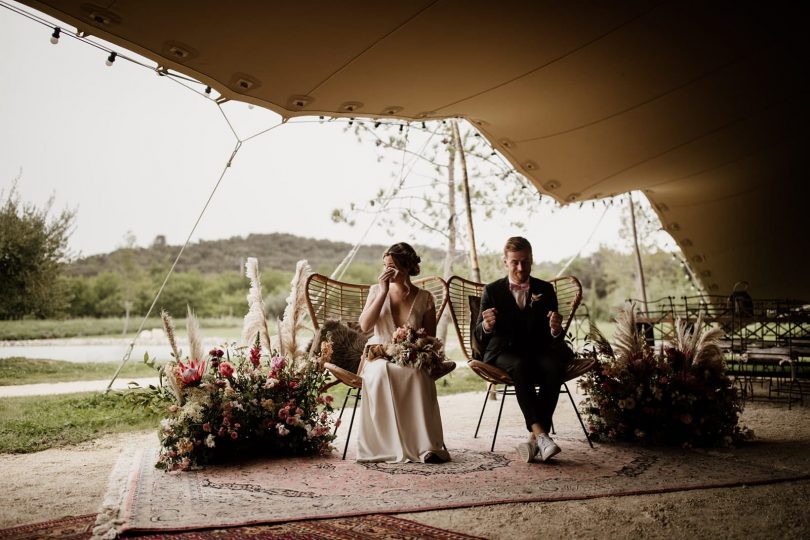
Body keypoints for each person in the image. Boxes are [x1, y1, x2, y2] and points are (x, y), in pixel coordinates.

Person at [474, 236, 570, 463]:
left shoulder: (545, 290)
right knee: (520, 365)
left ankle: (534, 439)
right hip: (503, 353)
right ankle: (542, 434)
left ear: (532, 260)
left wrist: (556, 330)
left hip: (537, 350)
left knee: (554, 366)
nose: (520, 267)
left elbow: (553, 335)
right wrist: (487, 325)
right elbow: (479, 334)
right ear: (505, 262)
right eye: (515, 262)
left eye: (525, 261)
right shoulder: (492, 290)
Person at [355, 242, 450, 463]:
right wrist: (383, 292)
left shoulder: (425, 298)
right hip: (377, 353)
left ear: (407, 268)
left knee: (416, 375)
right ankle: (384, 445)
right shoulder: (376, 290)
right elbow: (365, 326)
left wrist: (414, 345)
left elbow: (430, 339)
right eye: (385, 266)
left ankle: (425, 447)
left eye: (393, 267)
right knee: (381, 372)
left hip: (410, 353)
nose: (388, 271)